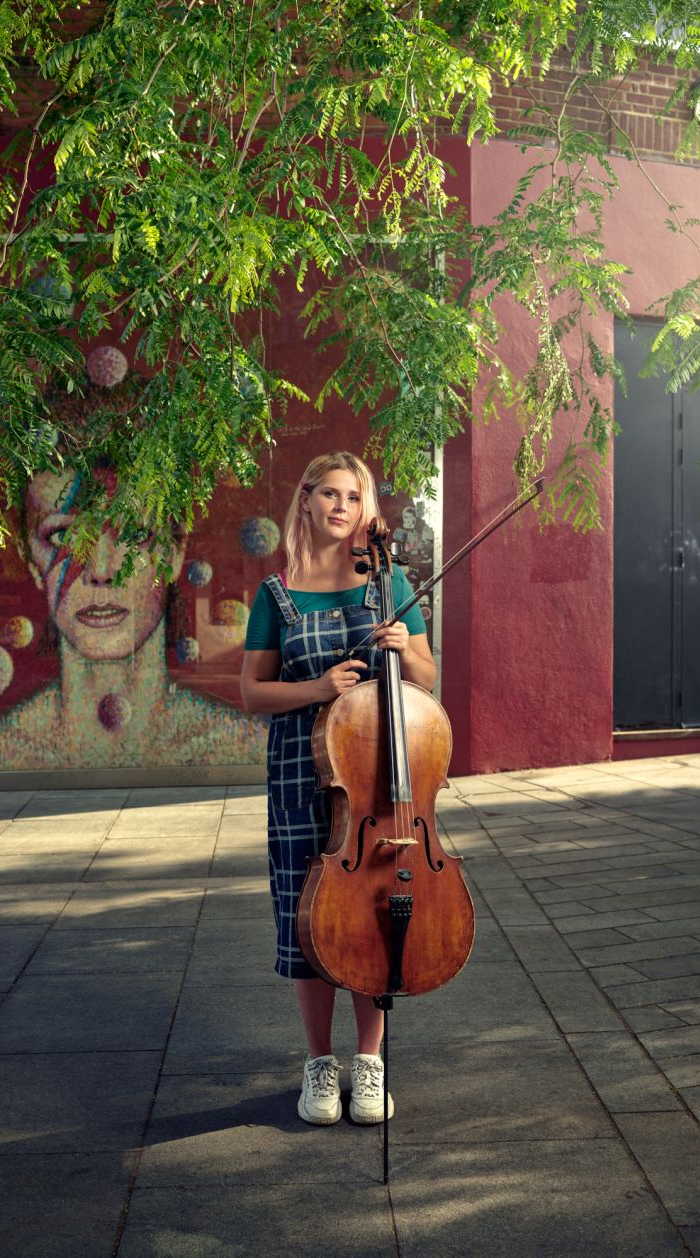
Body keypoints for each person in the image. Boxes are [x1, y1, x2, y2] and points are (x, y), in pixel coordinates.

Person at [240, 451, 437, 1125]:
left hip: (377, 780)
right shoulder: (278, 594)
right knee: (306, 922)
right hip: (300, 774)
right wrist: (317, 690)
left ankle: (372, 1064)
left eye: (352, 497)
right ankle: (320, 1065)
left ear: (366, 509)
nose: (339, 507)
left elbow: (427, 681)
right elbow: (252, 693)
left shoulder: (388, 581)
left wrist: (404, 646)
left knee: (373, 918)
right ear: (306, 500)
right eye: (327, 493)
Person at [0, 468, 267, 771]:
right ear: (30, 560)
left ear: (175, 554)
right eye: (63, 537)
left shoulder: (242, 746)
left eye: (133, 534)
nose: (101, 570)